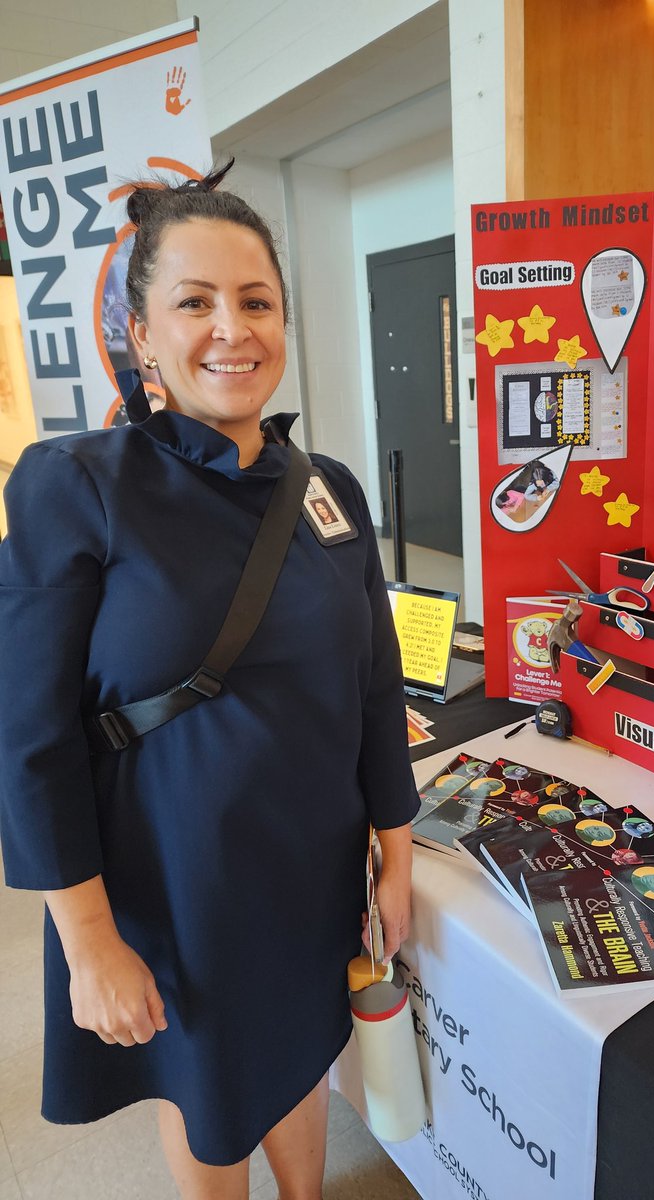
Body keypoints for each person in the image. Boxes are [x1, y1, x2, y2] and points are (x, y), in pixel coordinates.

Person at [0, 162, 418, 1200]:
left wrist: (396, 848)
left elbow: (375, 680)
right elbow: (28, 736)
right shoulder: (79, 486)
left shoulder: (330, 492)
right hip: (173, 879)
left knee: (296, 1057)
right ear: (142, 333)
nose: (231, 328)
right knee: (209, 1087)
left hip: (309, 861)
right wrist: (88, 940)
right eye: (194, 302)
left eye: (255, 301)